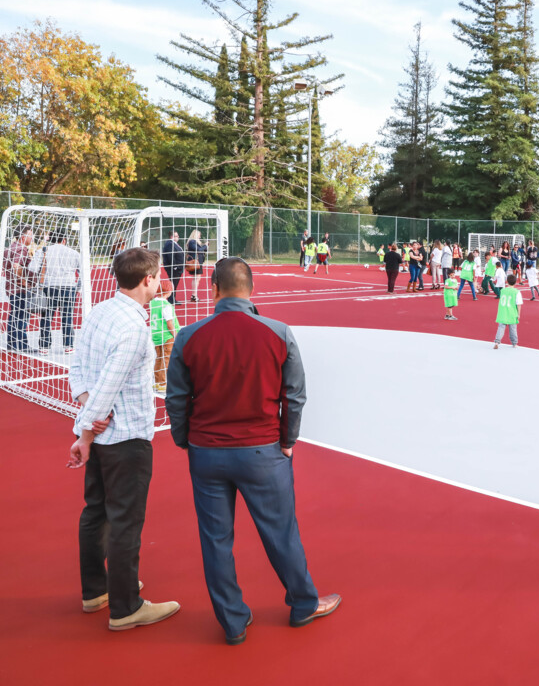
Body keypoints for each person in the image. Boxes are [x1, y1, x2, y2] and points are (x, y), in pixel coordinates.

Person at [165, 257, 340, 644]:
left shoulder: (189, 336)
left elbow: (176, 398)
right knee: (281, 532)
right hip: (262, 451)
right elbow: (294, 396)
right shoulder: (278, 332)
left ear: (213, 289)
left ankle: (232, 621)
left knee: (215, 540)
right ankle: (302, 603)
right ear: (251, 289)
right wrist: (288, 440)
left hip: (207, 451)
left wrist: (184, 440)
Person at [67, 247, 181, 631]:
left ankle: (96, 592)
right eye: (158, 276)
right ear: (147, 279)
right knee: (125, 522)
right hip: (126, 438)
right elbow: (107, 388)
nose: (160, 281)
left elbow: (78, 368)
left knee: (95, 512)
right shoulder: (133, 329)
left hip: (104, 439)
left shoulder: (100, 311)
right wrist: (84, 431)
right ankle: (126, 606)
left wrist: (86, 414)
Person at [27, 230, 81, 354]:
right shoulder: (73, 253)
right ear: (64, 240)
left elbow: (33, 268)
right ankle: (68, 345)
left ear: (51, 239)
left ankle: (44, 347)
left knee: (47, 317)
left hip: (49, 286)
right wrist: (78, 287)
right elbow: (83, 272)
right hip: (68, 287)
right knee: (67, 316)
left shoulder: (43, 251)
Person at [3, 226, 34, 352]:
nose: (32, 238)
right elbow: (16, 265)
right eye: (30, 235)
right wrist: (24, 282)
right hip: (19, 289)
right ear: (23, 236)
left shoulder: (9, 248)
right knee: (21, 316)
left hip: (10, 287)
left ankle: (12, 344)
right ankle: (21, 345)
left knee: (14, 315)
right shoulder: (22, 249)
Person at [149, 278, 179, 393]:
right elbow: (170, 323)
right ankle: (163, 383)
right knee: (166, 359)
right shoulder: (166, 306)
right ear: (169, 291)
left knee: (158, 359)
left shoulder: (153, 302)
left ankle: (157, 382)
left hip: (156, 335)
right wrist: (175, 335)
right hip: (166, 336)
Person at [494, 273, 523, 349]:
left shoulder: (503, 290)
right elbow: (519, 304)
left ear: (507, 281)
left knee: (501, 327)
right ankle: (514, 343)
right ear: (516, 282)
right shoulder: (517, 292)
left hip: (503, 311)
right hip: (512, 312)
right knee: (513, 328)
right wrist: (518, 314)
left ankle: (497, 341)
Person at [161, 231, 185, 303]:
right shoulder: (170, 244)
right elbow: (170, 256)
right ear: (172, 237)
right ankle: (171, 299)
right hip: (174, 268)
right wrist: (175, 267)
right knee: (173, 283)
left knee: (174, 283)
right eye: (176, 236)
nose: (178, 237)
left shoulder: (174, 244)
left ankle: (172, 298)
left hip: (178, 267)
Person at [186, 230, 208, 302]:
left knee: (196, 278)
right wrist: (205, 245)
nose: (200, 236)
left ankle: (194, 295)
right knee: (196, 278)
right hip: (195, 262)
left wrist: (205, 246)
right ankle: (194, 295)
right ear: (195, 235)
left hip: (198, 262)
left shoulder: (194, 242)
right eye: (199, 235)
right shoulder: (192, 241)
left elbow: (201, 250)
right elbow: (198, 250)